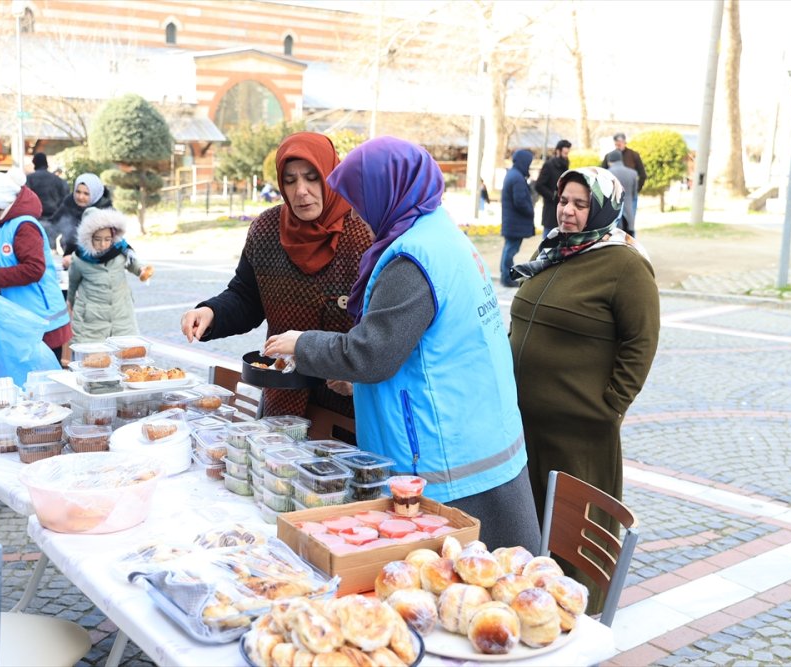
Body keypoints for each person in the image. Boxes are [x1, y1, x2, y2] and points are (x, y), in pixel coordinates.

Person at [263, 137, 541, 553]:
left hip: (447, 460)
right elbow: (433, 349)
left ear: (387, 191)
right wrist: (361, 386)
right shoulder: (442, 234)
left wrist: (302, 345)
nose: (357, 210)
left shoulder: (412, 259)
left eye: (361, 197)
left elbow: (371, 353)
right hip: (483, 436)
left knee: (461, 590)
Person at [509, 166, 659, 611]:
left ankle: (578, 619)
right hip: (525, 425)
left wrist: (608, 407)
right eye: (563, 201)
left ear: (603, 208)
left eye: (580, 204)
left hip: (579, 434)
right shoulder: (557, 250)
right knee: (532, 530)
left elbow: (641, 342)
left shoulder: (624, 264)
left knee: (573, 536)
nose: (568, 211)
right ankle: (532, 613)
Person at [180, 132, 373, 418]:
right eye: (290, 180)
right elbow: (246, 296)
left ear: (330, 176)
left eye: (312, 177)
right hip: (282, 400)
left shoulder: (364, 232)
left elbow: (385, 332)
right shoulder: (267, 229)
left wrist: (360, 379)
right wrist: (211, 313)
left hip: (348, 407)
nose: (301, 191)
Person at [0, 168, 72, 362]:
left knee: (44, 382)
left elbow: (34, 269)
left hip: (43, 322)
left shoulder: (24, 226)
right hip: (23, 320)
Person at [67, 207, 154, 344]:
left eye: (107, 239)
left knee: (126, 358)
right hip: (91, 321)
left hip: (121, 316)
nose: (103, 244)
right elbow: (72, 284)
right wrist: (69, 303)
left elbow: (133, 264)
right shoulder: (79, 258)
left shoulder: (120, 250)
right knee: (93, 361)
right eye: (97, 239)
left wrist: (142, 271)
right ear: (88, 238)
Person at [51, 173, 114, 270]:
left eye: (86, 194)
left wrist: (76, 259)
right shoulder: (69, 202)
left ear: (95, 193)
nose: (80, 197)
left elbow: (112, 245)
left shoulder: (106, 211)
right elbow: (54, 223)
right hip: (70, 258)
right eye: (78, 192)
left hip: (98, 263)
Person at [499, 149, 535, 288]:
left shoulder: (513, 175)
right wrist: (530, 210)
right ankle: (507, 277)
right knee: (510, 250)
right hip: (515, 222)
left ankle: (505, 275)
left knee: (509, 248)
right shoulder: (517, 178)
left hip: (512, 222)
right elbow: (520, 201)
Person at [602, 132, 647, 216]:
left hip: (629, 194)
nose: (619, 145)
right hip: (614, 194)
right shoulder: (609, 156)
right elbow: (602, 174)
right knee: (615, 221)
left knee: (629, 221)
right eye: (617, 144)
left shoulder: (634, 155)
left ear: (625, 142)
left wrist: (636, 190)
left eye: (620, 143)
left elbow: (643, 175)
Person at [534, 139, 571, 237]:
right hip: (551, 209)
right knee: (548, 238)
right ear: (558, 151)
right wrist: (553, 197)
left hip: (563, 209)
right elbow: (539, 185)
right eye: (565, 153)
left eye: (568, 153)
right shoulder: (549, 165)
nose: (566, 155)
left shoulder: (566, 165)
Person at [25, 152, 68, 223]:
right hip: (54, 218)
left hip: (35, 219)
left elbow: (25, 199)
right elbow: (65, 198)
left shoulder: (29, 179)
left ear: (34, 163)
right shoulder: (58, 180)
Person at [604, 149, 638, 236]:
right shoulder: (633, 173)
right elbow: (634, 195)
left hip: (613, 216)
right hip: (629, 213)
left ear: (610, 161)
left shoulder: (607, 174)